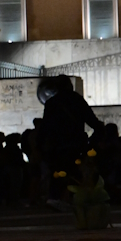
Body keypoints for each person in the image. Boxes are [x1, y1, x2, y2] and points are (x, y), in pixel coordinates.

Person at [40, 76, 104, 205]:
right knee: (77, 172)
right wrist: (92, 141)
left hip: (58, 145)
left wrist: (43, 146)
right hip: (76, 144)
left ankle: (56, 197)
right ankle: (78, 198)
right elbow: (92, 121)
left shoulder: (52, 103)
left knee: (58, 172)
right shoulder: (77, 101)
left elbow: (45, 128)